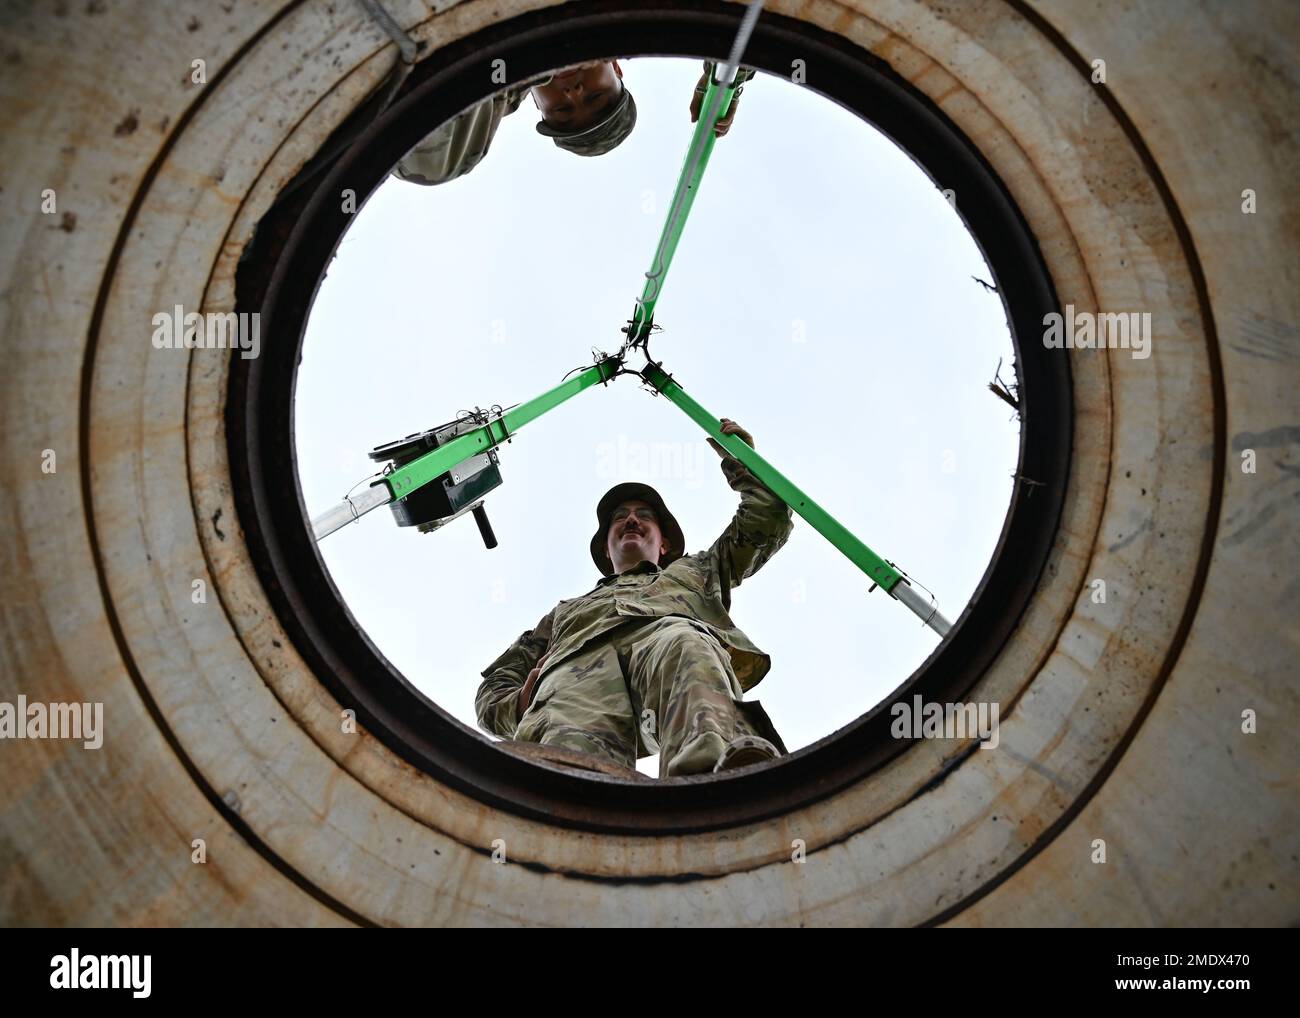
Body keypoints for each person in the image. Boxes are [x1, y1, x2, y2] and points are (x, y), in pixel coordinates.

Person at [476, 419, 794, 778]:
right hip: (577, 670)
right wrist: (517, 704)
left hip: (666, 641)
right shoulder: (563, 614)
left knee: (685, 644)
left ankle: (714, 781)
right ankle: (561, 814)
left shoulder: (697, 571)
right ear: (605, 548)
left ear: (664, 544)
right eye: (620, 518)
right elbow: (495, 684)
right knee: (566, 751)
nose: (631, 520)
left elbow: (768, 516)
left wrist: (742, 462)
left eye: (644, 516)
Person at [391, 59, 756, 186]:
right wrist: (725, 80)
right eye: (596, 97)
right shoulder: (620, 21)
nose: (574, 93)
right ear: (616, 68)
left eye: (563, 112)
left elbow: (424, 160)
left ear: (536, 103)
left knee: (438, 166)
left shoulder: (498, 82)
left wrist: (527, 71)